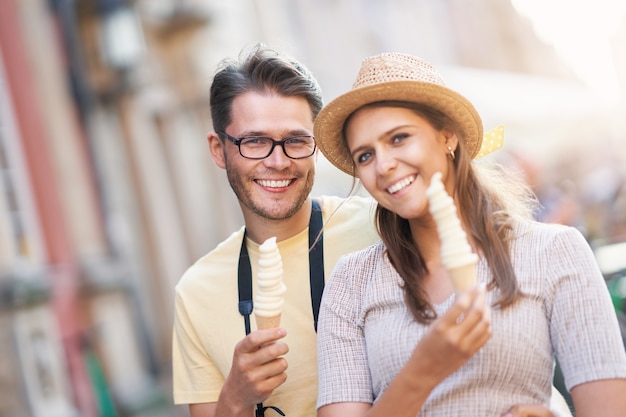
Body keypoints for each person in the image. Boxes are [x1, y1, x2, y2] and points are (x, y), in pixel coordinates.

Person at [172, 44, 571, 417]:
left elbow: (510, 316)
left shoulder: (389, 225)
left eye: (295, 141)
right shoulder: (196, 293)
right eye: (255, 141)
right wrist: (235, 399)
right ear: (217, 148)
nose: (278, 161)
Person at [313, 52, 626, 417]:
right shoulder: (352, 281)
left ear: (448, 137)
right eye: (365, 156)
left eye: (398, 138)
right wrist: (423, 372)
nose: (383, 165)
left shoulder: (553, 250)